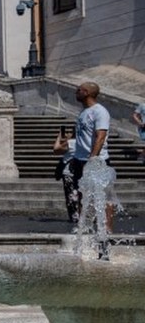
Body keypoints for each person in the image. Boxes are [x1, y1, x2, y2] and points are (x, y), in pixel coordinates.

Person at [71, 81, 113, 229]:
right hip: (80, 159)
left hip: (97, 160)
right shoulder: (84, 112)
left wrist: (92, 158)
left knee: (103, 195)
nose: (76, 92)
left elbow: (100, 136)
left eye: (79, 90)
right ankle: (84, 229)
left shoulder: (99, 111)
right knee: (81, 194)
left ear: (87, 92)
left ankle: (107, 229)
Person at [54, 126, 79, 222]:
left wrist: (60, 137)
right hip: (82, 171)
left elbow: (56, 149)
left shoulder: (71, 143)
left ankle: (74, 216)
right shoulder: (88, 143)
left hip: (69, 173)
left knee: (70, 196)